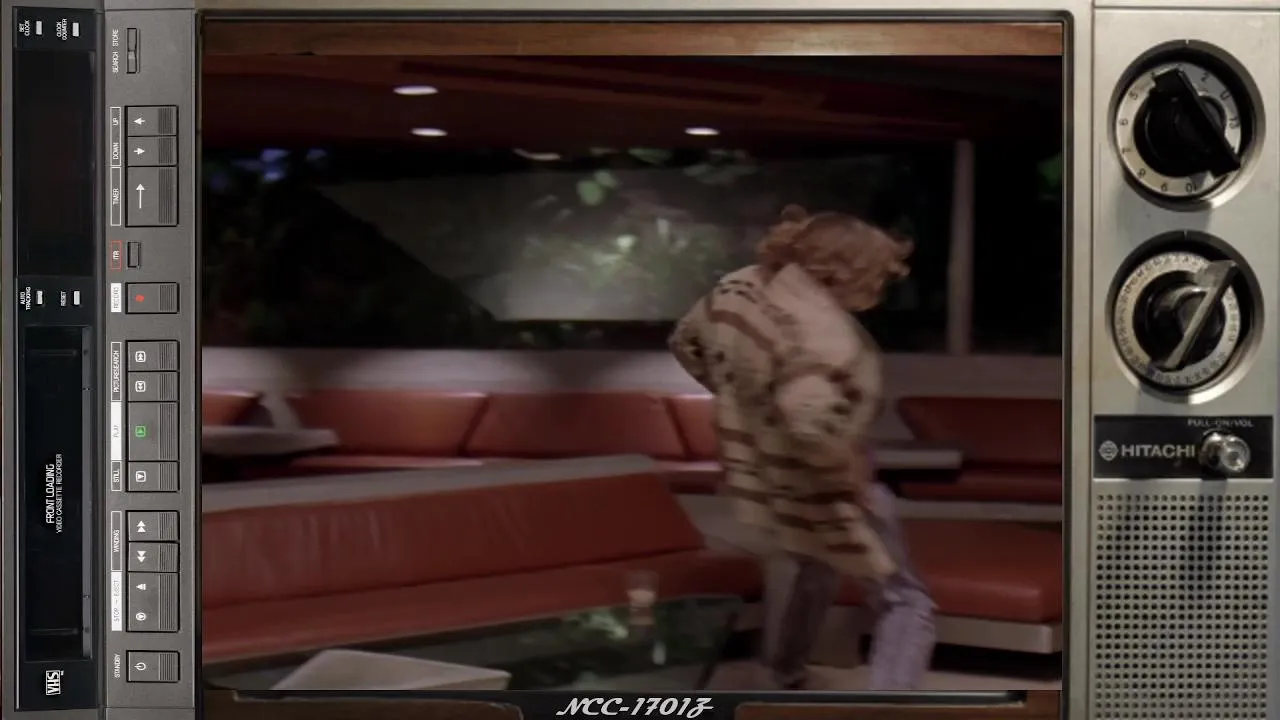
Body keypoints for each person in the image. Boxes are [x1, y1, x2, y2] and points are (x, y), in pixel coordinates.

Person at [668, 204, 936, 691]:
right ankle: (890, 703)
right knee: (905, 600)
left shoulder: (741, 289)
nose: (882, 286)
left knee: (814, 568)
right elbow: (809, 420)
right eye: (879, 273)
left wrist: (747, 406)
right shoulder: (824, 333)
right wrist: (847, 469)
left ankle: (782, 677)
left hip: (774, 476)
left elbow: (687, 341)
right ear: (847, 270)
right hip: (828, 481)